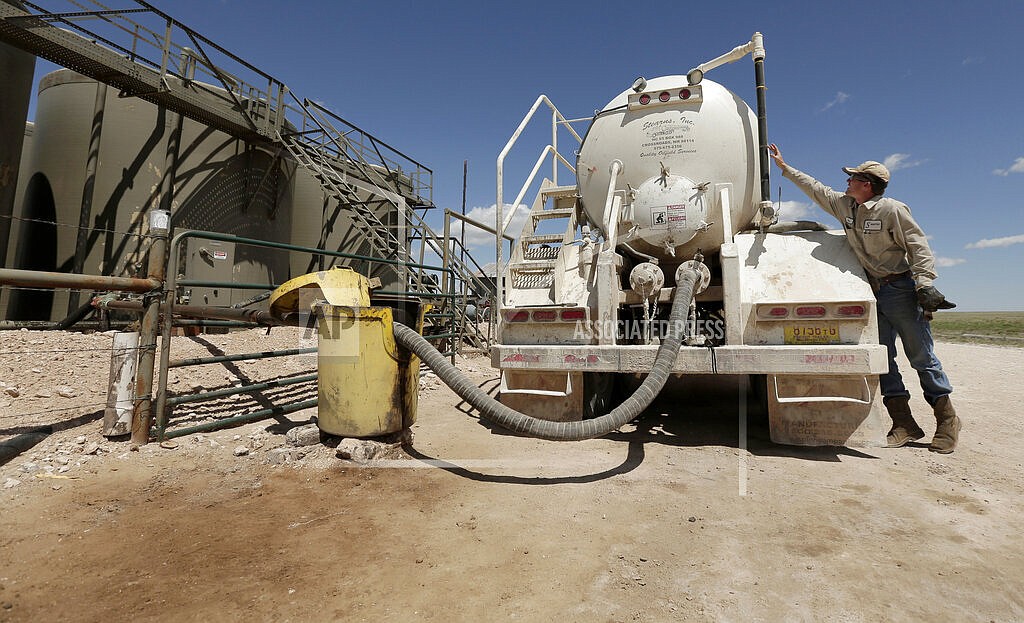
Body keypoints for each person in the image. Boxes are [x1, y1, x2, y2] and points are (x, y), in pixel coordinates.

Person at [768, 143, 961, 453]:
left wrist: (924, 285)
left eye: (853, 178)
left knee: (921, 358)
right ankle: (904, 423)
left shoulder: (892, 210)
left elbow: (918, 247)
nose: (847, 182)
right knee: (883, 360)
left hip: (901, 290)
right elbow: (816, 189)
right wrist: (785, 168)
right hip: (873, 291)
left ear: (867, 185)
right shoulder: (846, 207)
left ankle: (947, 421)